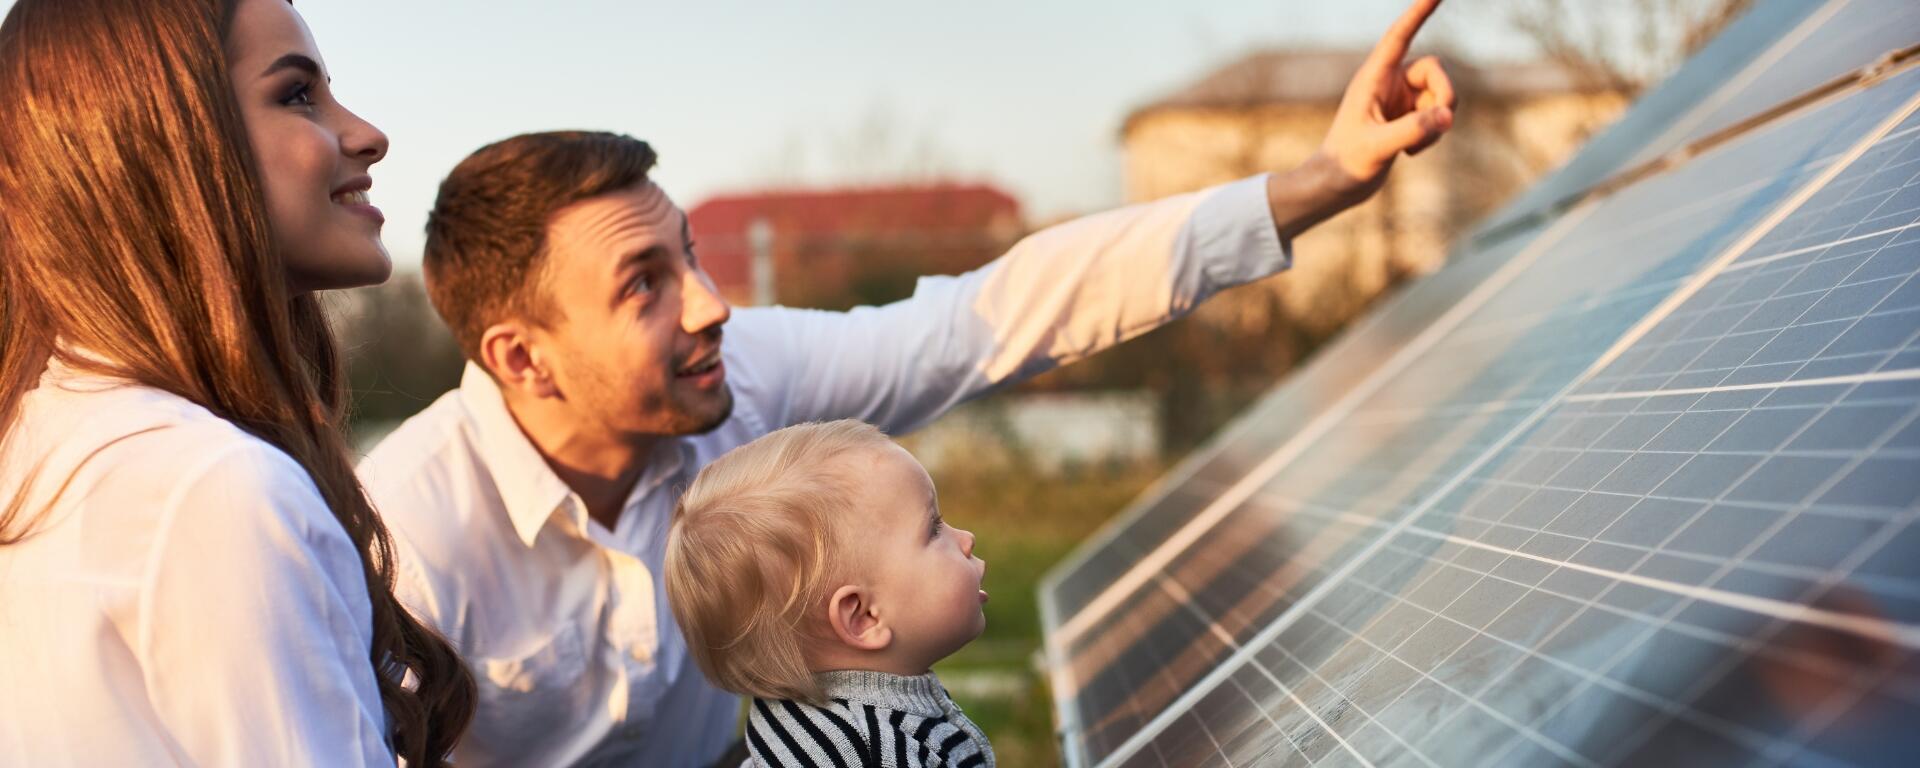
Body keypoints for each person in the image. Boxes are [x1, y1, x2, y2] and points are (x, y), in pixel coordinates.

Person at [358, 1, 1456, 764]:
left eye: (689, 252)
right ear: (519, 356)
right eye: (645, 284)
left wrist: (1317, 183)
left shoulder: (744, 380)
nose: (710, 304)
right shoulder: (406, 531)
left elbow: (992, 317)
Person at [0, 0, 474, 764]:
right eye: (296, 95)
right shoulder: (212, 490)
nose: (366, 133)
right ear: (157, 143)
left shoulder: (41, 435)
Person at [666, 420, 995, 767]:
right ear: (863, 616)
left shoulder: (804, 720)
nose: (966, 539)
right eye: (933, 528)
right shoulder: (870, 753)